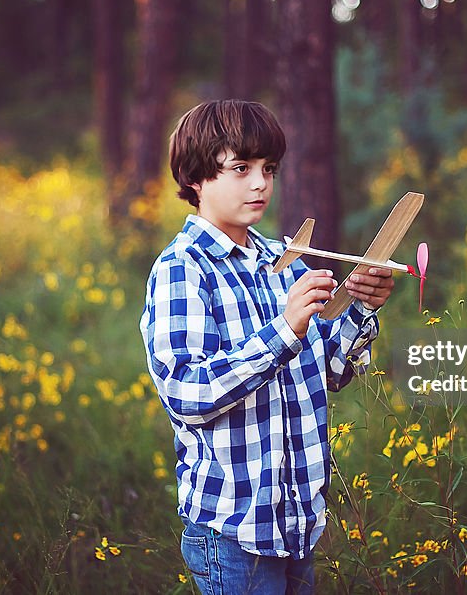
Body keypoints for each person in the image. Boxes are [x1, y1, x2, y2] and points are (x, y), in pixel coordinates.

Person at [140, 100, 394, 594]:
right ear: (195, 177)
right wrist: (283, 330)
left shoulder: (285, 259)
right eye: (239, 168)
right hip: (232, 527)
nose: (259, 183)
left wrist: (363, 308)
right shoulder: (183, 269)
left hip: (296, 519)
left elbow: (332, 372)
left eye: (268, 169)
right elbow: (187, 394)